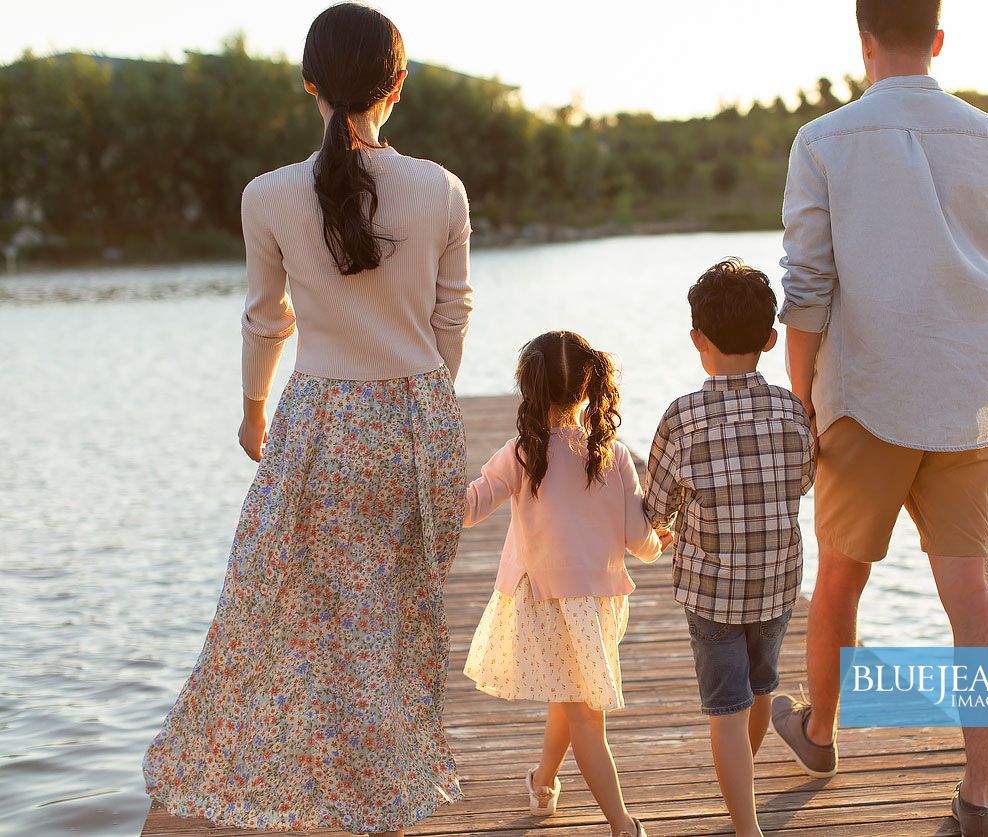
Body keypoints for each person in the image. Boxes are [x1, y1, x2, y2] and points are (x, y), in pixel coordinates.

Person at [141, 5, 473, 836]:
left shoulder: (267, 195)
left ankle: (241, 790)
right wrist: (424, 402)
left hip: (320, 420)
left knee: (273, 620)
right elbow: (452, 316)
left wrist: (253, 407)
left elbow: (266, 318)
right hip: (415, 423)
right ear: (396, 86)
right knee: (390, 627)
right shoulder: (440, 187)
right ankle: (379, 802)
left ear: (309, 85)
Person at [768, 1, 988, 836]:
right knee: (970, 590)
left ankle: (820, 733)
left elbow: (805, 290)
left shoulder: (822, 140)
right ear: (938, 40)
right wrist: (971, 360)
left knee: (841, 576)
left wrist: (807, 400)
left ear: (862, 42)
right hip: (972, 401)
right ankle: (979, 795)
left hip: (868, 398)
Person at [462, 330, 661, 837]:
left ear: (529, 384)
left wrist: (426, 480)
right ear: (590, 387)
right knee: (585, 714)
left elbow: (468, 507)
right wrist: (662, 539)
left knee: (568, 697)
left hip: (544, 602)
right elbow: (641, 542)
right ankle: (622, 825)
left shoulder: (521, 453)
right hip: (591, 606)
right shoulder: (611, 455)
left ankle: (542, 780)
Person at [643, 260, 816, 837]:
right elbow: (804, 479)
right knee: (762, 688)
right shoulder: (794, 411)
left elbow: (657, 504)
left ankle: (747, 830)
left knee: (725, 711)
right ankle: (747, 794)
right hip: (776, 584)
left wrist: (665, 526)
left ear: (697, 339)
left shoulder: (682, 418)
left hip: (711, 592)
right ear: (771, 339)